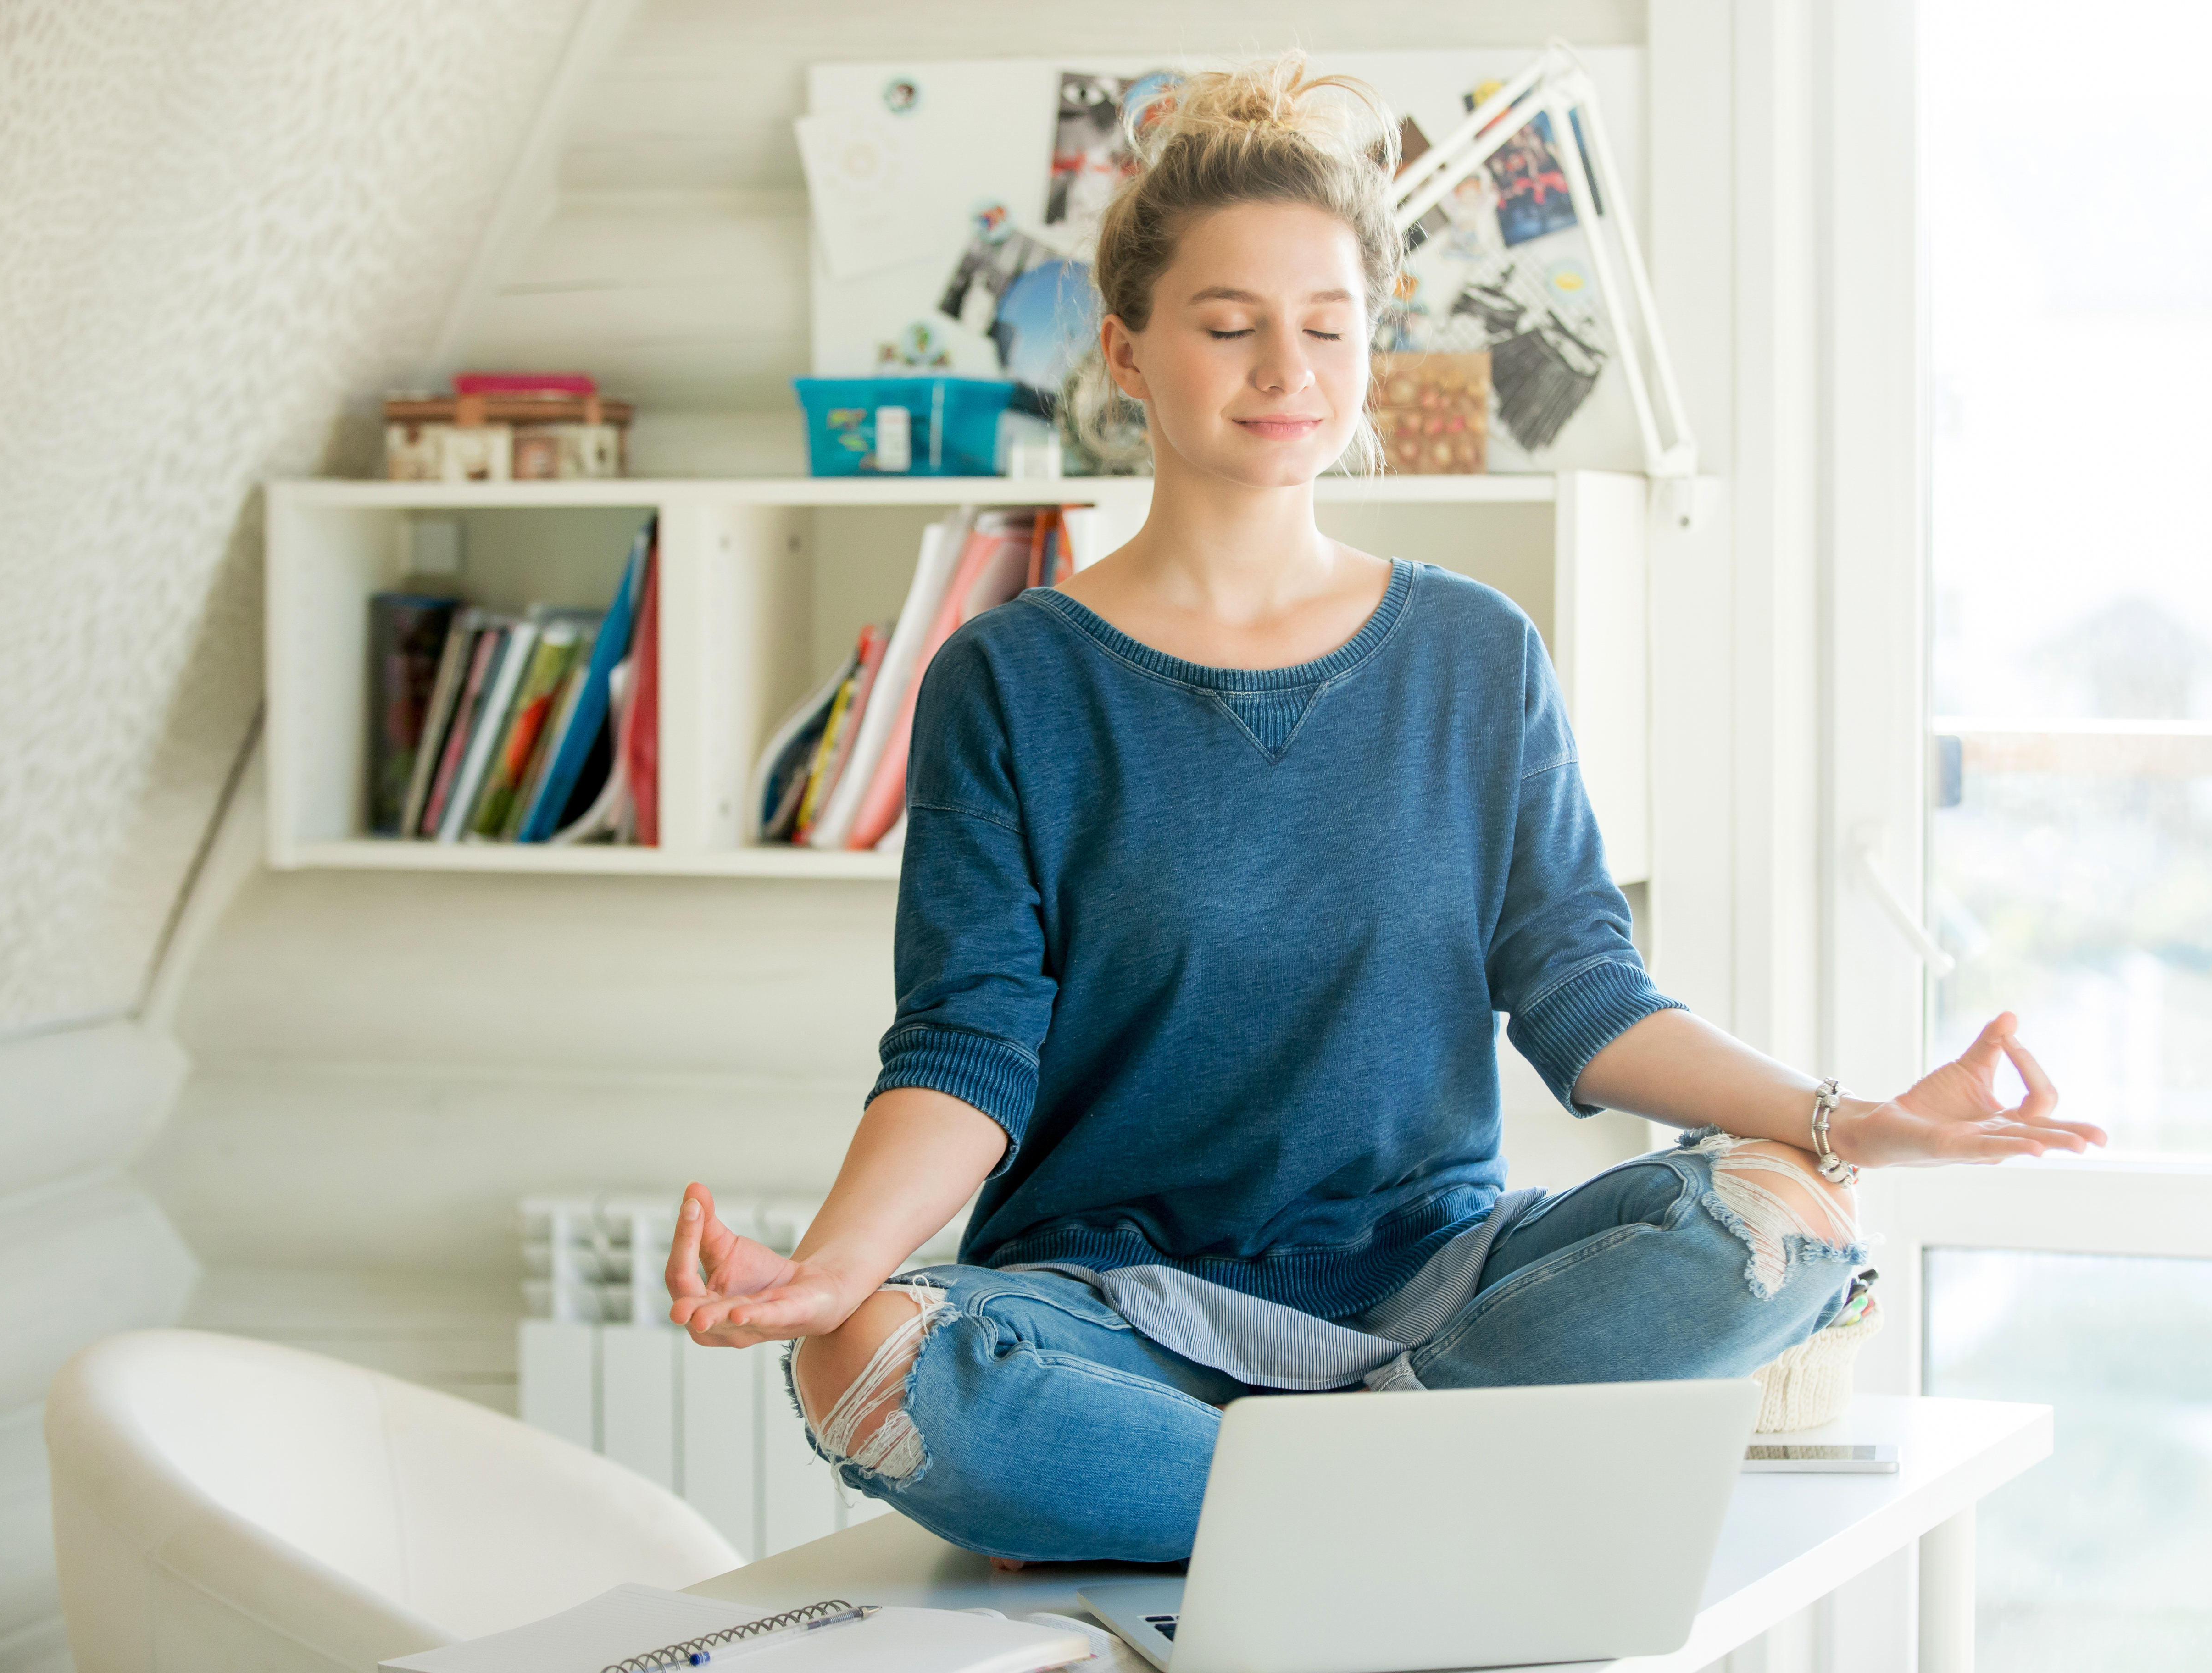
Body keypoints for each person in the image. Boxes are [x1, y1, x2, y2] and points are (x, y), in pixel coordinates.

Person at [667, 55, 2101, 1567]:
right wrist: (831, 1274)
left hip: (1435, 1285)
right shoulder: (1010, 681)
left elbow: (1584, 997)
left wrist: (1850, 1119)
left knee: (1791, 1216)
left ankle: (1283, 1500)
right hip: (1115, 1307)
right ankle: (1416, 1500)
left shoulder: (1475, 653)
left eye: (1329, 328)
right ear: (1129, 352)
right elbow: (969, 1052)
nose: (1287, 369)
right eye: (1229, 327)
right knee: (861, 1366)